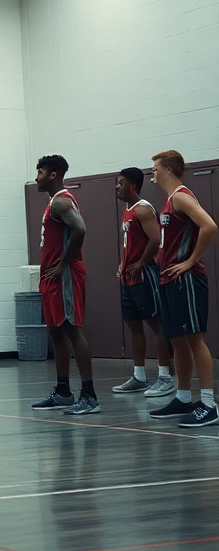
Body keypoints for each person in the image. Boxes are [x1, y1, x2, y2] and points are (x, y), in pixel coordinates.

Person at [148, 150, 218, 427]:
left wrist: (190, 260)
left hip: (186, 279)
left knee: (195, 339)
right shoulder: (169, 200)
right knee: (177, 340)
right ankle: (183, 396)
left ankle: (210, 404)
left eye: (155, 167)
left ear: (168, 169)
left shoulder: (181, 196)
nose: (152, 172)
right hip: (169, 279)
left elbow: (209, 225)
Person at [30, 155, 98, 415]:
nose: (37, 176)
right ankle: (63, 392)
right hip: (52, 276)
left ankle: (90, 396)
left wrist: (62, 265)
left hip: (64, 275)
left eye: (40, 171)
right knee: (56, 332)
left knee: (71, 330)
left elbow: (80, 229)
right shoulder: (52, 203)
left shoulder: (60, 202)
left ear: (53, 174)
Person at [112, 167, 175, 397]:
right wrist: (123, 263)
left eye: (121, 183)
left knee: (156, 324)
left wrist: (140, 263)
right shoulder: (127, 210)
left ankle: (165, 377)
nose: (117, 187)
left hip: (145, 273)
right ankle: (139, 376)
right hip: (129, 277)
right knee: (133, 325)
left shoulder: (143, 209)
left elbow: (156, 239)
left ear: (133, 186)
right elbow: (129, 243)